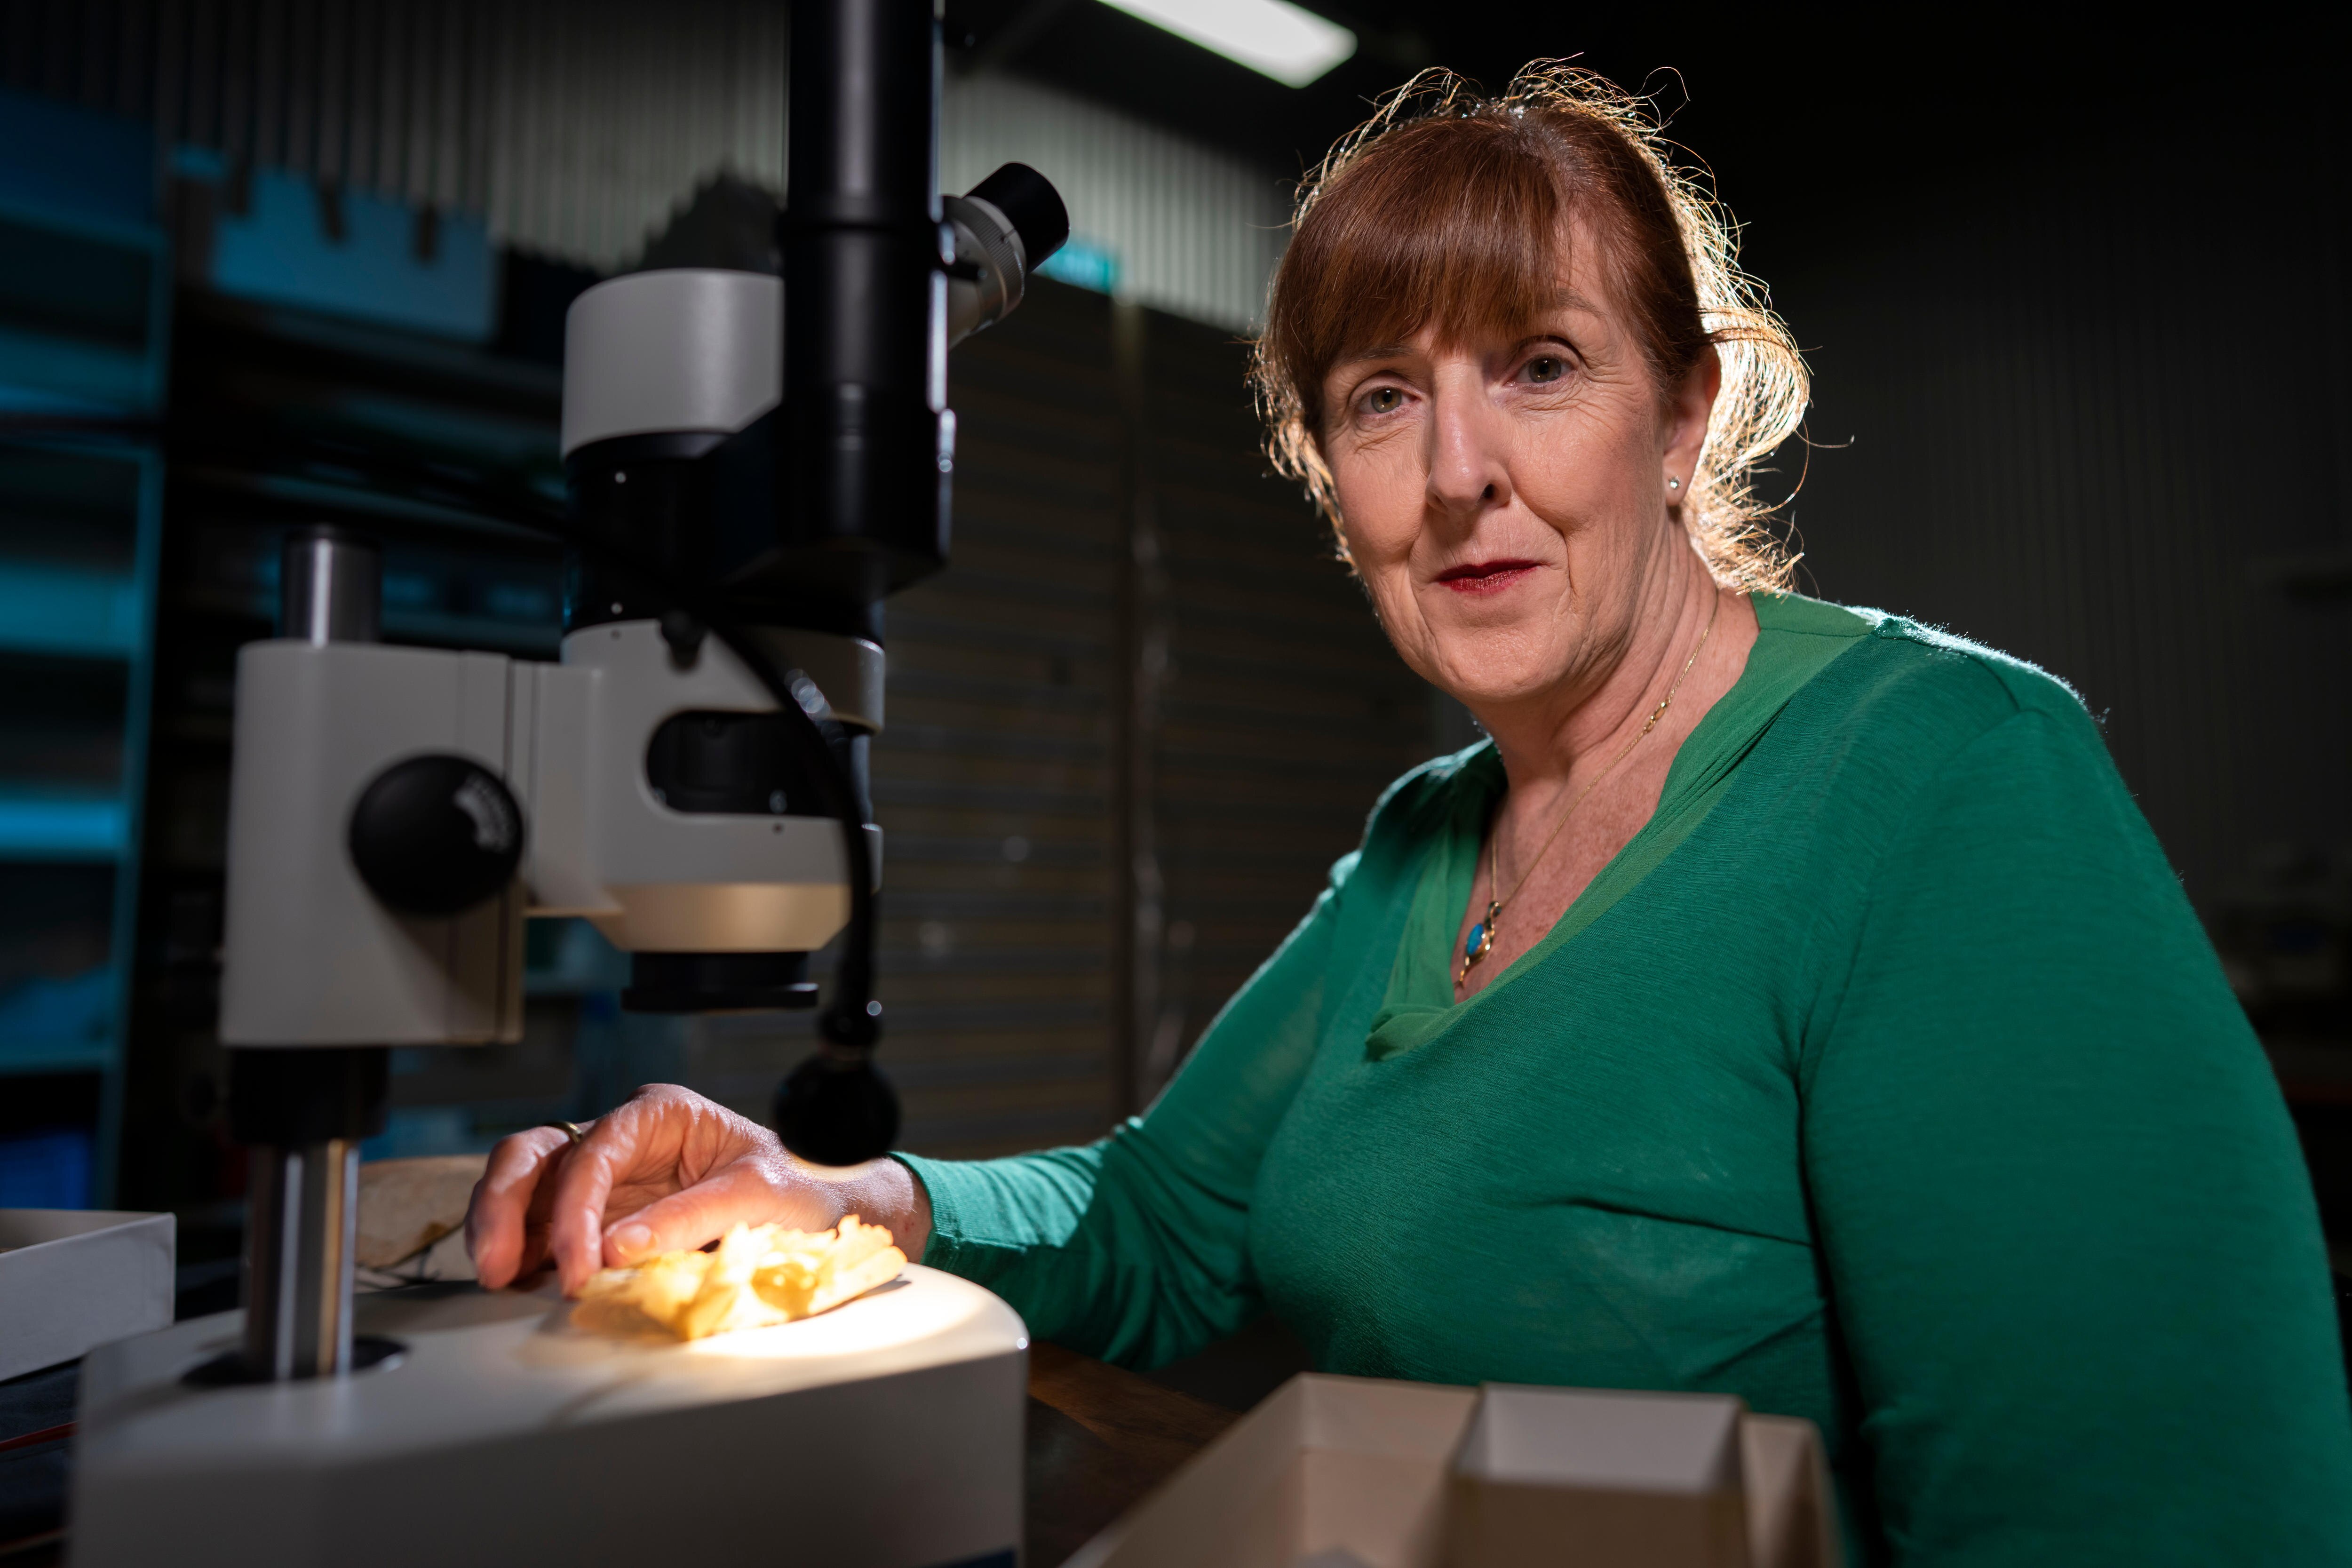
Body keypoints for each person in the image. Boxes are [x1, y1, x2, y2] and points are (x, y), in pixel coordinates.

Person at [467, 68, 2352, 1563]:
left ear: (1682, 413)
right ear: (1333, 481)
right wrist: (830, 1195)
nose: (1459, 477)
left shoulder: (1946, 780)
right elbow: (1146, 1221)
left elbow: (2159, 1526)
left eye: (1537, 367)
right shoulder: (1418, 844)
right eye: (1381, 400)